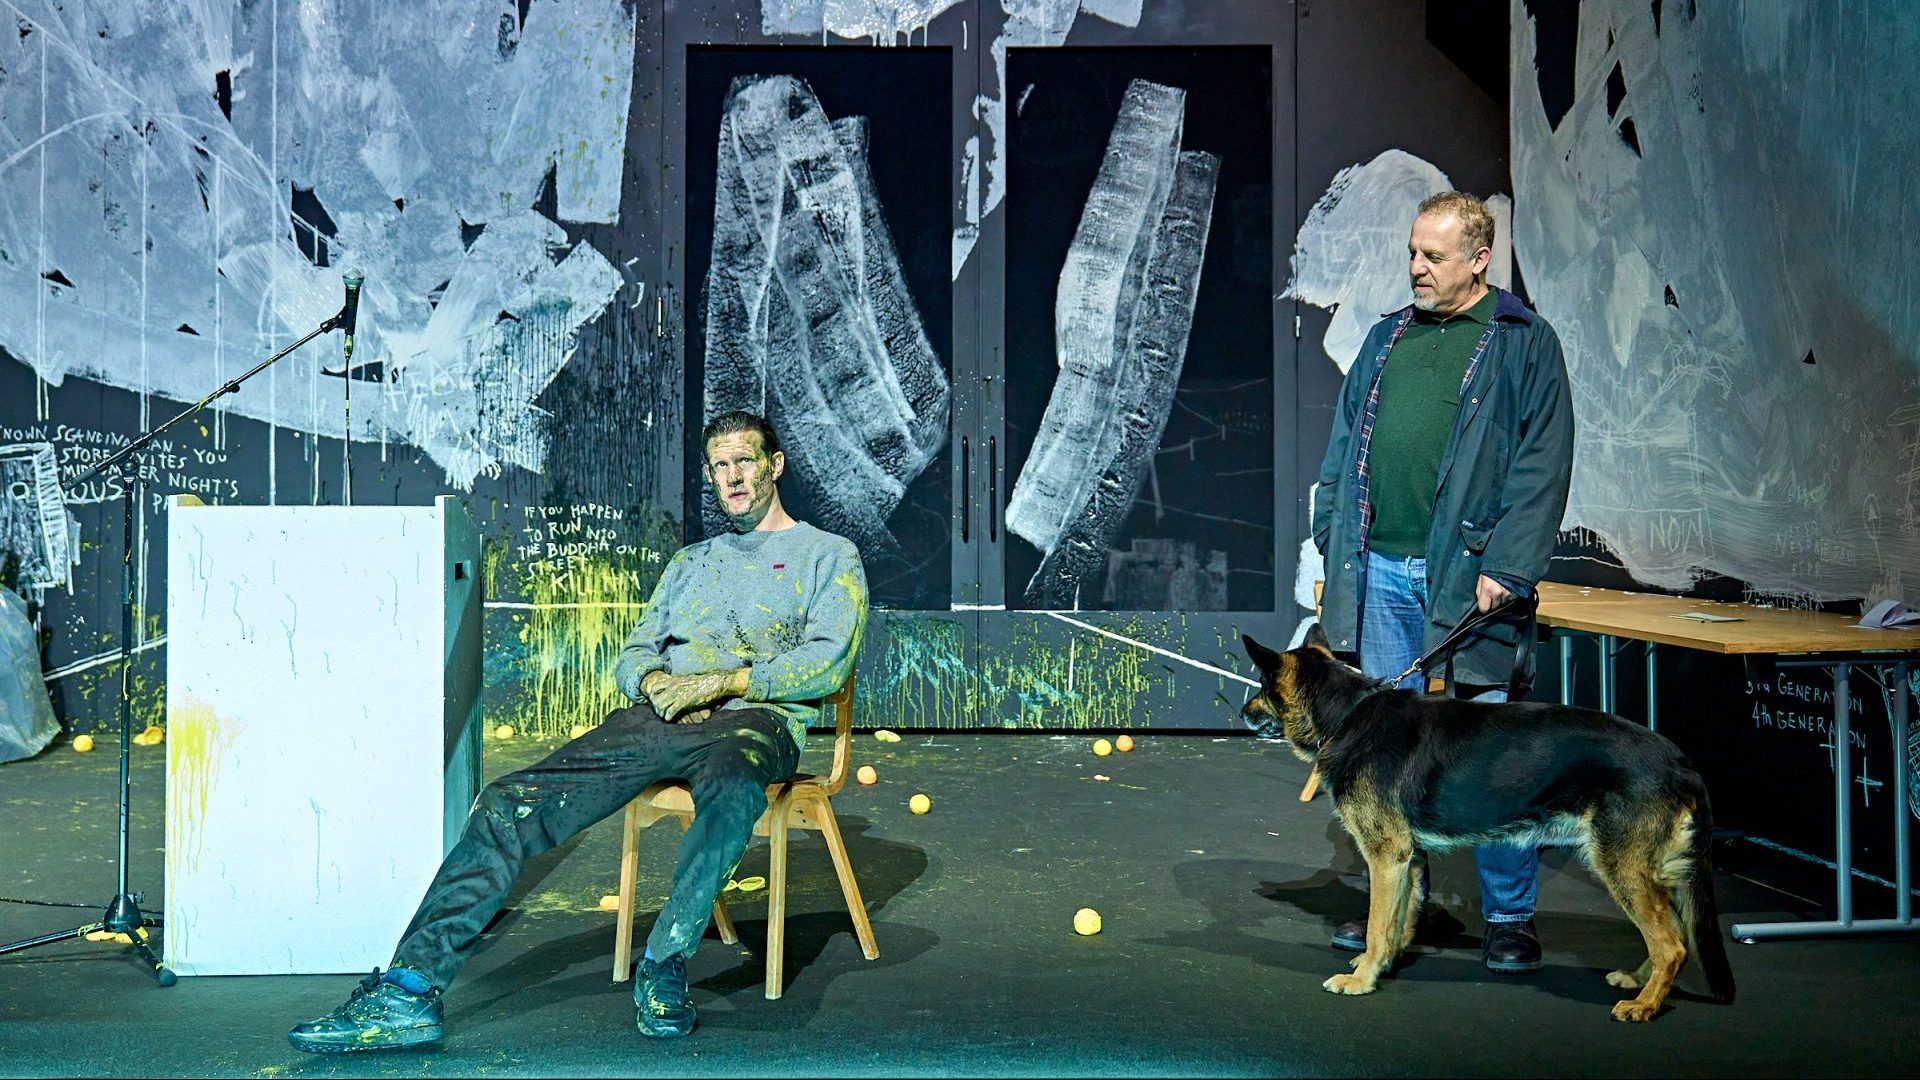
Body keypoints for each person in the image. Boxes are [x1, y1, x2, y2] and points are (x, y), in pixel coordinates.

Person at [288, 410, 867, 1050]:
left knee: (731, 792)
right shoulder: (691, 562)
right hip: (661, 718)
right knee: (509, 803)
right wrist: (656, 684)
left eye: (744, 462)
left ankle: (664, 963)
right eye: (719, 466)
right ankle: (407, 991)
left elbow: (828, 661)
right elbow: (634, 654)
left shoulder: (828, 555)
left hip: (756, 723)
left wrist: (720, 684)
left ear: (774, 466)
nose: (731, 477)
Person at [1310, 190, 1574, 974]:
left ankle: (1510, 917)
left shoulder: (1523, 342)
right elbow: (1343, 448)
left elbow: (1543, 462)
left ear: (1480, 259)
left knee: (1494, 752)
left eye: (1434, 255)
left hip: (1471, 579)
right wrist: (1331, 537)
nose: (1417, 268)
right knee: (1386, 755)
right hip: (1381, 571)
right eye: (1413, 253)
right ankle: (1398, 910)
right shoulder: (1387, 338)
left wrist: (1510, 566)